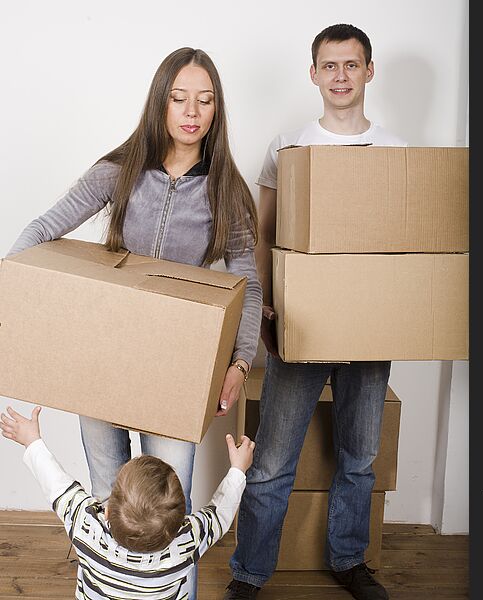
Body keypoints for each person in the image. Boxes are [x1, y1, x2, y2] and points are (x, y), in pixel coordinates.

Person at [7, 47, 262, 599]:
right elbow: (44, 228)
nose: (191, 112)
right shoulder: (118, 171)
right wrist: (17, 295)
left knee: (174, 516)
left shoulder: (227, 191)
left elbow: (249, 284)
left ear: (217, 110)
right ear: (160, 102)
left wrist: (240, 362)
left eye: (205, 100)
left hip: (179, 368)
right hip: (102, 357)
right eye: (179, 98)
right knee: (107, 500)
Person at [224, 24, 407, 600]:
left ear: (370, 71)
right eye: (330, 66)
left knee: (359, 457)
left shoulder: (397, 153)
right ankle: (250, 574)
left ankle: (350, 561)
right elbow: (264, 236)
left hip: (368, 332)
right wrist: (268, 307)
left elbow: (405, 248)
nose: (341, 77)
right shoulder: (289, 148)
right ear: (313, 75)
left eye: (352, 66)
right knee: (274, 460)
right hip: (300, 327)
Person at [0, 404, 255, 600]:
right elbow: (219, 515)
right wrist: (237, 470)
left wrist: (32, 442)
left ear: (107, 511)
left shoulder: (89, 529)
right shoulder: (186, 542)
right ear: (181, 521)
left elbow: (56, 485)